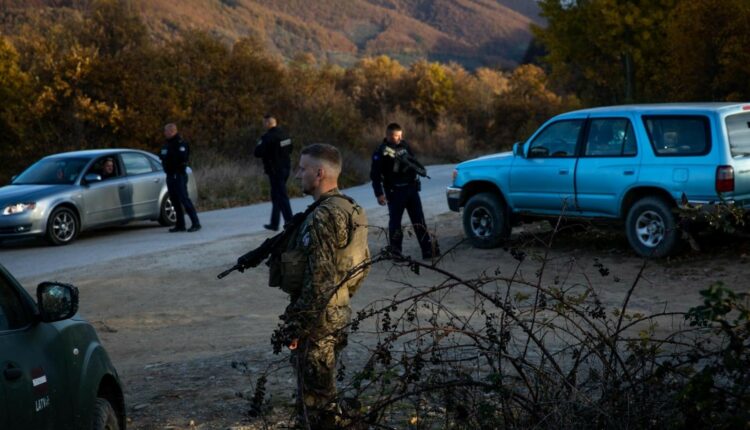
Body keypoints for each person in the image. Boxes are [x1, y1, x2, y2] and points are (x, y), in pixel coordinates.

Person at [276, 144, 370, 428]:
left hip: (317, 322)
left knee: (316, 404)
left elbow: (319, 279)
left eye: (302, 169)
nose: (297, 175)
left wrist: (297, 325)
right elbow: (362, 265)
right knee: (323, 393)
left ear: (319, 173)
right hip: (337, 312)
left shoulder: (322, 216)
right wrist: (340, 300)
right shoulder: (351, 208)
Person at [370, 122, 439, 259]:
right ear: (388, 135)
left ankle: (428, 250)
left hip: (411, 189)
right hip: (394, 192)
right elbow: (375, 175)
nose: (399, 139)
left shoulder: (405, 146)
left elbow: (413, 161)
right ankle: (396, 253)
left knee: (419, 220)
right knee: (395, 223)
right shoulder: (380, 152)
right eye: (396, 136)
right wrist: (379, 194)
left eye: (400, 136)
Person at [159, 123, 201, 233]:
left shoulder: (180, 143)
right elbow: (162, 156)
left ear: (172, 131)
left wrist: (172, 162)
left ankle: (196, 223)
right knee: (174, 200)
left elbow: (182, 158)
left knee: (184, 199)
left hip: (178, 175)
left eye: (166, 131)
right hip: (170, 175)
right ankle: (180, 224)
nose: (164, 133)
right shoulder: (167, 144)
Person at [254, 114, 293, 231]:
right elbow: (291, 148)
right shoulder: (285, 135)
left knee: (281, 195)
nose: (263, 125)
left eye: (263, 123)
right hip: (286, 168)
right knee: (276, 195)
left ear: (267, 123)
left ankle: (290, 222)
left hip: (275, 170)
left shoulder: (268, 137)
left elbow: (257, 152)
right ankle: (274, 223)